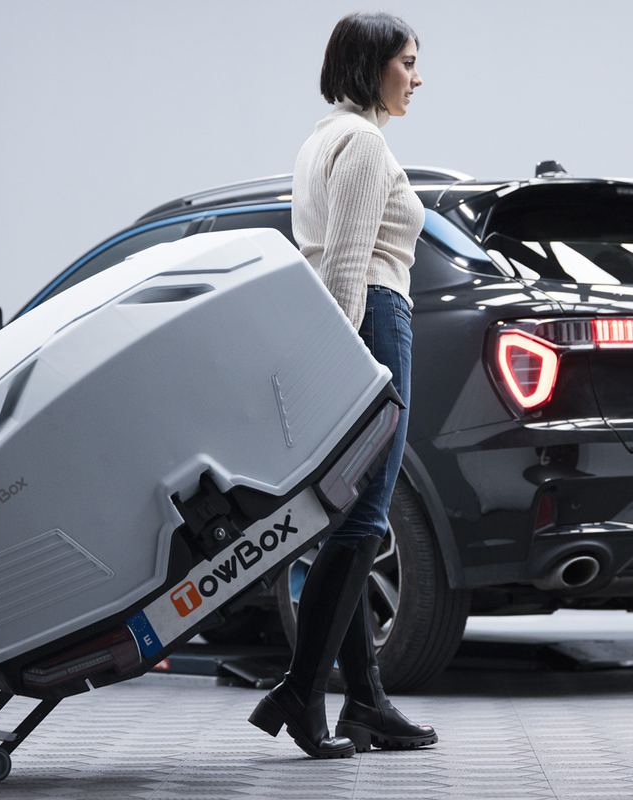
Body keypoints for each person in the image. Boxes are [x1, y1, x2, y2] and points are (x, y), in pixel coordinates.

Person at [248, 11, 434, 759]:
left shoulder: (320, 140)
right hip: (376, 325)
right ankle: (300, 692)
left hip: (365, 324)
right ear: (369, 65)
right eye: (407, 62)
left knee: (351, 517)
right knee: (364, 518)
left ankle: (365, 702)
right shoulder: (362, 144)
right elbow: (347, 268)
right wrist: (350, 373)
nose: (417, 78)